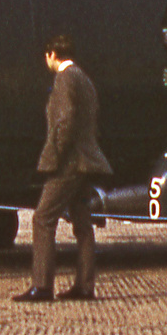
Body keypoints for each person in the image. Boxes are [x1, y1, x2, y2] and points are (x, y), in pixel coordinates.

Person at [13, 33, 113, 302]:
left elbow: (65, 120)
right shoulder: (84, 78)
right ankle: (84, 286)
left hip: (69, 162)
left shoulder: (64, 78)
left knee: (43, 218)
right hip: (85, 162)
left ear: (51, 55)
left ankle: (42, 286)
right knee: (82, 223)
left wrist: (56, 153)